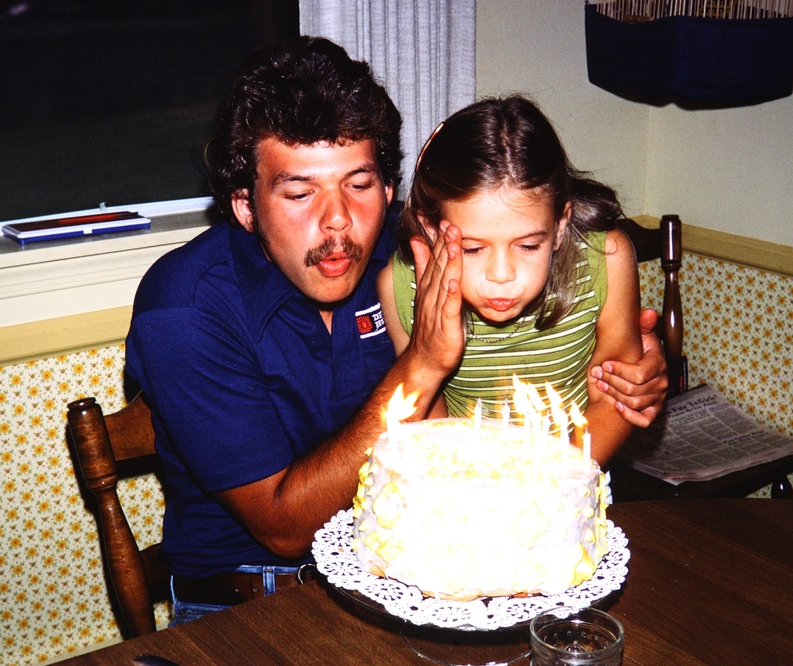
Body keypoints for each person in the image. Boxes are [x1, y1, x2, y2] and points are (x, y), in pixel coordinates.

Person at [124, 37, 667, 623]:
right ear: (246, 205)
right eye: (300, 192)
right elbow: (282, 528)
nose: (336, 221)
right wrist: (422, 366)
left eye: (358, 185)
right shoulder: (185, 310)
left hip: (434, 572)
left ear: (388, 189)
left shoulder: (418, 258)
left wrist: (631, 373)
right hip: (256, 603)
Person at [379, 95, 644, 464]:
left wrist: (552, 482)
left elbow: (616, 397)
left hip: (571, 478)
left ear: (561, 225)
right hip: (467, 487)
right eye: (472, 249)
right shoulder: (401, 287)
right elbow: (427, 417)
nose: (502, 275)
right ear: (431, 231)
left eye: (528, 246)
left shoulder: (607, 259)